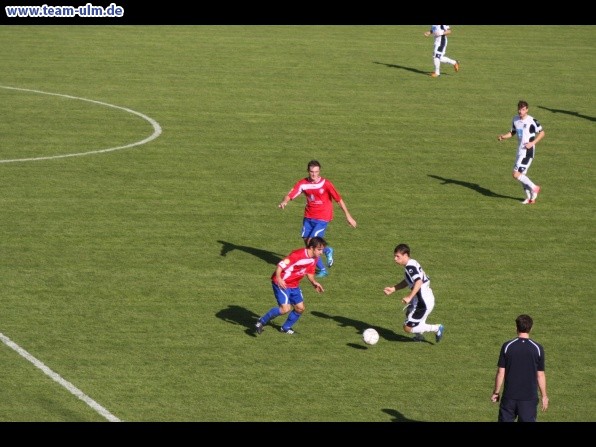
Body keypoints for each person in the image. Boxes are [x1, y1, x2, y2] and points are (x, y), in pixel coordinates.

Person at [278, 160, 357, 278]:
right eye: (311, 172)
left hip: (323, 216)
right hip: (309, 216)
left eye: (316, 172)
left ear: (319, 171)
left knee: (312, 242)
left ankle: (323, 267)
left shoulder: (326, 184)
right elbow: (291, 194)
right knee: (307, 242)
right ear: (308, 171)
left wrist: (348, 216)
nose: (314, 174)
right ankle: (326, 254)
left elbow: (338, 199)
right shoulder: (303, 183)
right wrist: (285, 201)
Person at [255, 236, 326, 335]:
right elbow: (281, 265)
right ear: (311, 248)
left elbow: (309, 272)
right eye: (319, 250)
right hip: (282, 283)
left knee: (300, 308)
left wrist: (314, 282)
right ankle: (261, 322)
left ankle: (285, 328)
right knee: (285, 309)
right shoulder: (297, 255)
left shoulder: (315, 258)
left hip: (294, 285)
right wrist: (279, 278)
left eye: (322, 250)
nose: (321, 252)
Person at [491, 314, 549, 422]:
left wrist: (496, 392)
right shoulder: (537, 348)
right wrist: (544, 396)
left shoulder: (507, 346)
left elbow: (500, 372)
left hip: (509, 398)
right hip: (529, 399)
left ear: (516, 328)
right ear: (531, 328)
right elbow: (540, 375)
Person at [383, 243, 444, 343]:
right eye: (395, 256)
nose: (395, 259)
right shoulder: (411, 263)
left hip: (423, 302)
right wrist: (393, 289)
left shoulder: (409, 267)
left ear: (406, 255)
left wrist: (409, 297)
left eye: (397, 256)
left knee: (407, 328)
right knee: (409, 313)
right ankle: (419, 335)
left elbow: (418, 282)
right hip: (422, 299)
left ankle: (437, 328)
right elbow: (408, 281)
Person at [498, 100, 545, 204]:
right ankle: (530, 198)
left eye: (523, 109)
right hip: (519, 152)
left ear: (527, 110)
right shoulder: (515, 120)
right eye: (519, 109)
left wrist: (532, 143)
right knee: (521, 176)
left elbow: (542, 133)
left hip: (527, 152)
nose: (520, 111)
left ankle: (535, 187)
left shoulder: (532, 121)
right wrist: (503, 137)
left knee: (516, 174)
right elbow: (513, 132)